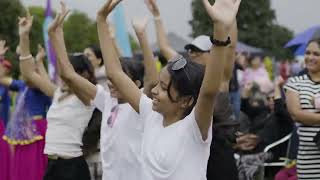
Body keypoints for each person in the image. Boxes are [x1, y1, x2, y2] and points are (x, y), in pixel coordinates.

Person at [98, 0, 240, 180]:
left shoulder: (194, 128)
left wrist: (220, 29)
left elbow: (208, 92)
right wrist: (101, 21)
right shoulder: (150, 114)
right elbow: (114, 73)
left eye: (164, 88)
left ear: (186, 101)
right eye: (158, 84)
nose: (154, 91)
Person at [46, 2, 157, 180]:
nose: (112, 82)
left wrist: (141, 36)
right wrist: (55, 35)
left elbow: (152, 79)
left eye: (119, 80)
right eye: (111, 80)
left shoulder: (141, 105)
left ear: (136, 84)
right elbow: (68, 74)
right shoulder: (107, 101)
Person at [145, 0, 240, 179]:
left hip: (216, 152)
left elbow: (230, 47)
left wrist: (227, 21)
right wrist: (157, 16)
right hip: (189, 151)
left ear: (212, 53)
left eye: (198, 51)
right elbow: (164, 47)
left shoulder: (220, 78)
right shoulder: (184, 73)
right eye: (190, 50)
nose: (192, 54)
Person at [17, 7, 100, 180]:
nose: (61, 75)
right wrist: (24, 37)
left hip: (72, 168)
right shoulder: (57, 93)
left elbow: (67, 73)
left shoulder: (86, 98)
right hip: (52, 164)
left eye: (69, 71)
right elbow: (29, 75)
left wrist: (56, 34)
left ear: (83, 75)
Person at [284, 38, 320, 180]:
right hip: (308, 159)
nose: (310, 57)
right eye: (308, 53)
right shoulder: (295, 82)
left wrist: (310, 117)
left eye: (316, 54)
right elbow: (295, 114)